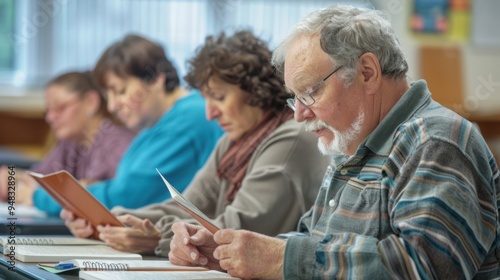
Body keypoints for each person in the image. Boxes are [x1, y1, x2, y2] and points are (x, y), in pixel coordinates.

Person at [168, 5, 500, 279]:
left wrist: (281, 259)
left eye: (310, 92)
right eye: (294, 98)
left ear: (367, 72)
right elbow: (315, 245)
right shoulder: (353, 143)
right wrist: (228, 250)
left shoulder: (434, 141)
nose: (299, 115)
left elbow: (426, 267)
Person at [61, 30, 330, 257]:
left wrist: (157, 236)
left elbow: (238, 227)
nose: (210, 114)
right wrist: (113, 220)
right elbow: (189, 205)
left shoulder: (291, 138)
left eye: (219, 97)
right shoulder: (235, 140)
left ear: (255, 91)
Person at [33, 34, 224, 215]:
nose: (112, 106)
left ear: (156, 79)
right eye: (108, 96)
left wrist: (39, 197)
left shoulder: (187, 120)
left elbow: (127, 197)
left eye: (121, 91)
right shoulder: (155, 125)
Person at [0, 71, 135, 205]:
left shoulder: (118, 146)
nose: (50, 118)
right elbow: (41, 178)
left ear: (91, 102)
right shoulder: (71, 142)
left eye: (59, 108)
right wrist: (14, 177)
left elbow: (112, 198)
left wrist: (37, 195)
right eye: (48, 110)